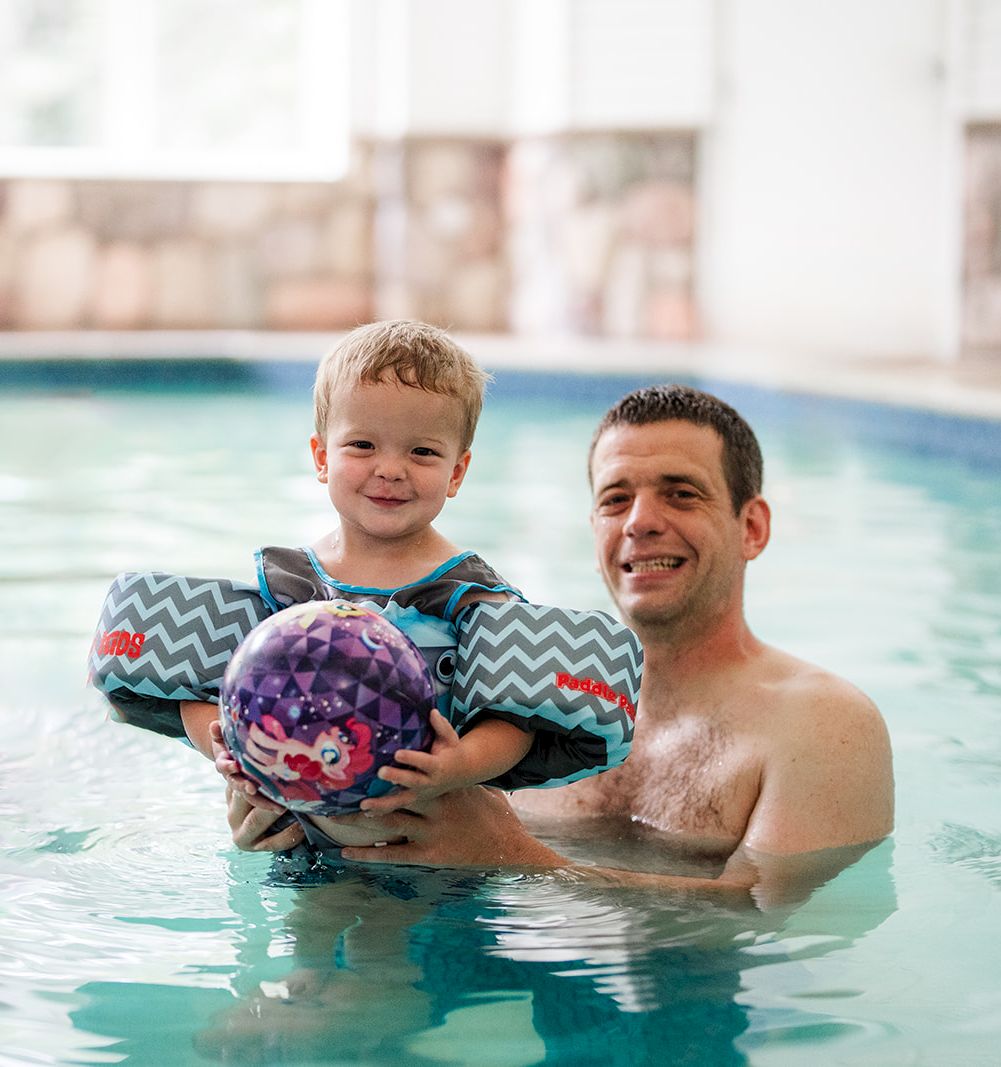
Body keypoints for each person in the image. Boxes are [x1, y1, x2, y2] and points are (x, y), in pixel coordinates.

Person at [229, 383, 894, 905]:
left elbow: (778, 921)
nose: (640, 522)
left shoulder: (820, 724)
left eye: (680, 494)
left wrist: (516, 860)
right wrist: (297, 817)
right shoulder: (513, 696)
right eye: (615, 499)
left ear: (751, 526)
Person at [186, 320, 637, 851]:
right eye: (362, 445)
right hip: (302, 842)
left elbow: (517, 719)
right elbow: (208, 693)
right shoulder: (285, 586)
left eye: (422, 452)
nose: (391, 469)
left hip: (428, 851)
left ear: (457, 471)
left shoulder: (471, 596)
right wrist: (232, 754)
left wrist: (457, 765)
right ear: (322, 457)